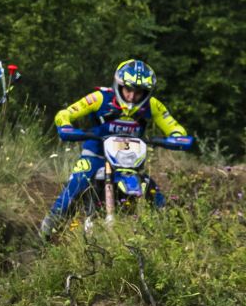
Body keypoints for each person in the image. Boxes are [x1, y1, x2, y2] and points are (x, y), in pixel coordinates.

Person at [38, 59, 194, 239]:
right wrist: (65, 125)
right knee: (79, 180)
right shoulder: (99, 98)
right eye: (129, 90)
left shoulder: (152, 105)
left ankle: (170, 234)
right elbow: (66, 113)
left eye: (139, 92)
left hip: (128, 160)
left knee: (151, 188)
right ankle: (48, 228)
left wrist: (176, 137)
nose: (132, 97)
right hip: (96, 153)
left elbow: (174, 126)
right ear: (119, 85)